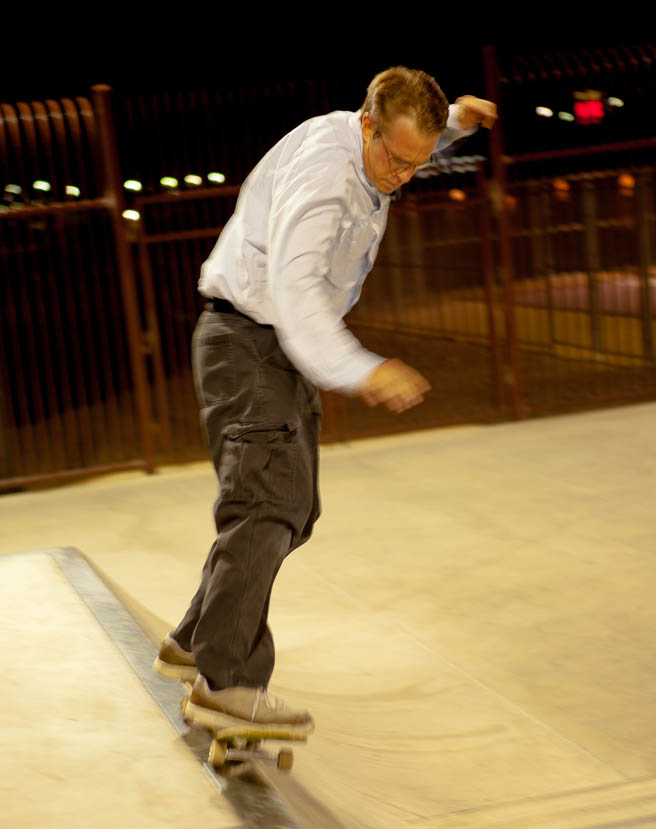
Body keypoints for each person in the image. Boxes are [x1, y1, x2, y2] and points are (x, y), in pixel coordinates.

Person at [153, 66, 496, 734]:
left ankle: (194, 640)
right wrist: (361, 368)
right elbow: (296, 297)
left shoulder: (385, 142)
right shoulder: (323, 177)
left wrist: (455, 121)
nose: (401, 177)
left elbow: (414, 140)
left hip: (267, 348)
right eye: (394, 160)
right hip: (250, 342)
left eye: (416, 163)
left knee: (294, 508)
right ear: (366, 125)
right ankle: (226, 682)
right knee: (266, 505)